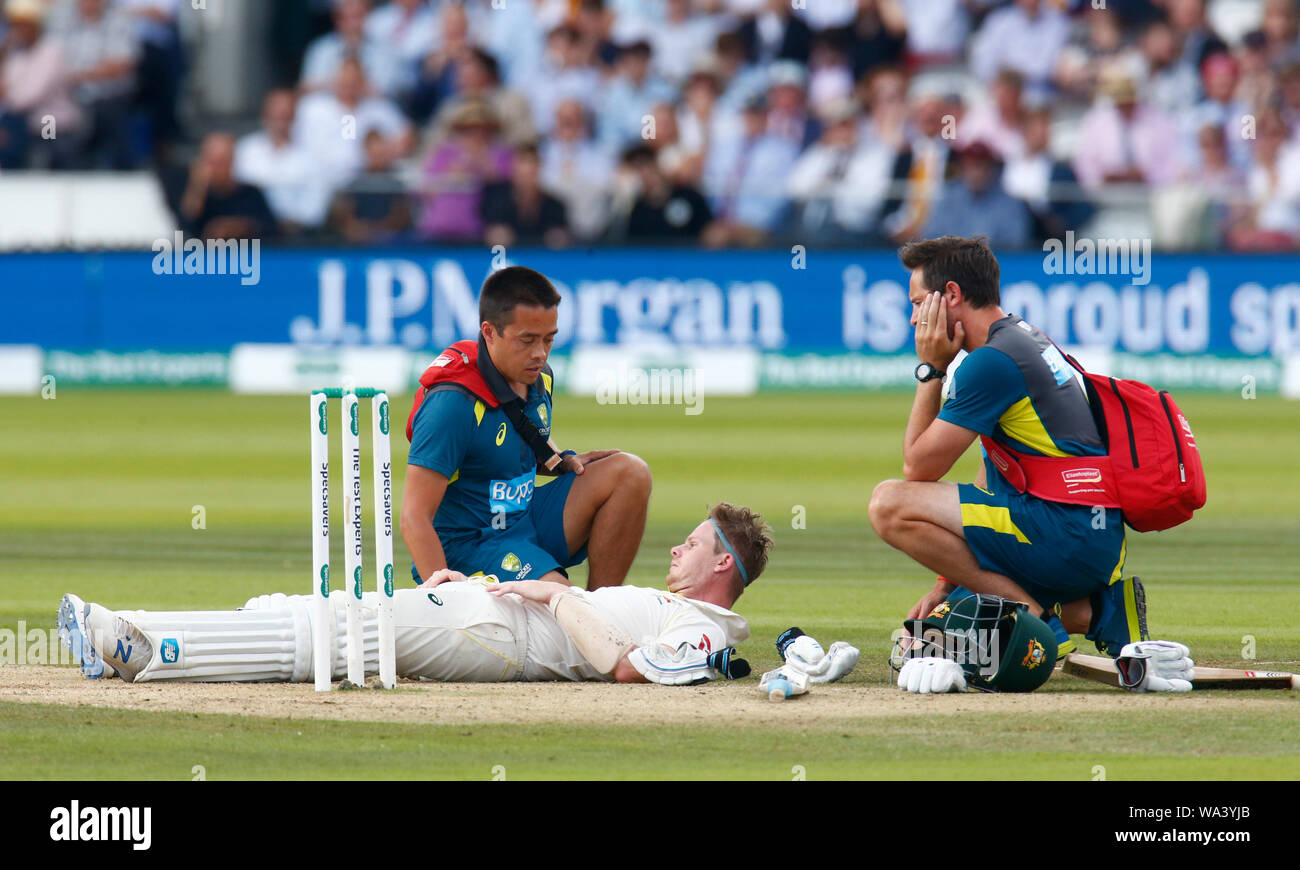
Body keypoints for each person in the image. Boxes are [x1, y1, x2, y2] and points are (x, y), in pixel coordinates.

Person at [57, 504, 772, 686]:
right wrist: (488, 586)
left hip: (503, 638)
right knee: (320, 608)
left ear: (723, 568)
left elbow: (628, 669)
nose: (676, 550)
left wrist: (556, 598)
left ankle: (153, 650)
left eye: (693, 546)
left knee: (340, 633)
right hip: (490, 613)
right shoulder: (679, 605)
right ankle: (132, 633)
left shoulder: (706, 632)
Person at [867, 235, 1145, 661]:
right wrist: (946, 584)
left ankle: (1037, 621)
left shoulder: (991, 362)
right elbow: (993, 465)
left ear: (952, 295)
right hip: (1091, 537)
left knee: (888, 504)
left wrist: (931, 369)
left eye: (918, 302)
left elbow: (917, 468)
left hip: (1062, 532)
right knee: (938, 625)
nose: (912, 319)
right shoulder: (1023, 336)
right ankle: (1101, 613)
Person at [402, 266, 653, 592]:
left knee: (630, 473)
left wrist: (556, 459)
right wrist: (446, 595)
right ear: (489, 332)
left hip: (522, 519)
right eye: (527, 340)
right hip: (470, 545)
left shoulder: (540, 376)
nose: (540, 353)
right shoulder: (451, 405)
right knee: (558, 594)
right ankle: (585, 616)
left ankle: (603, 606)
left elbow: (504, 446)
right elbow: (413, 517)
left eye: (549, 339)